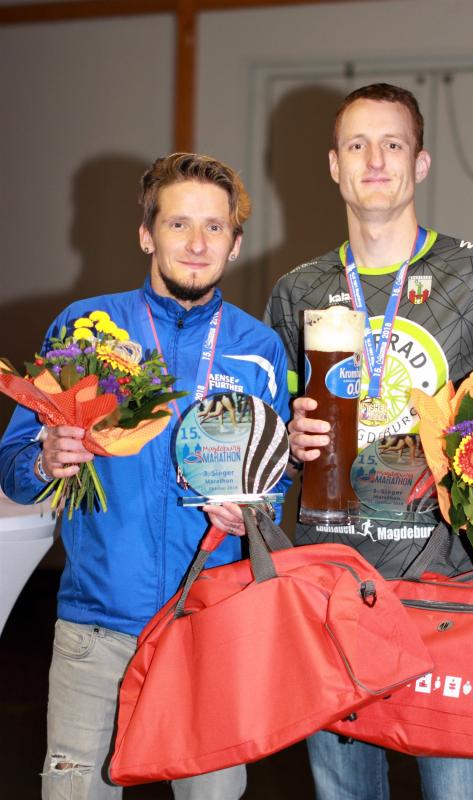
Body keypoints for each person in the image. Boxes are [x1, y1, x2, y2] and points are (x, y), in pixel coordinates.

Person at [265, 84, 473, 800]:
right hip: (333, 589)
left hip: (449, 588)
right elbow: (269, 444)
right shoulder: (298, 290)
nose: (376, 160)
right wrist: (286, 440)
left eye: (393, 144)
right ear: (334, 166)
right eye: (357, 145)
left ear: (420, 163)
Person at [0, 152, 291, 800]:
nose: (197, 243)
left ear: (235, 243)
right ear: (146, 234)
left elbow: (274, 483)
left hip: (211, 627)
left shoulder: (260, 350)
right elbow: (14, 468)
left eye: (214, 227)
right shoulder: (87, 331)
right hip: (97, 627)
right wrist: (45, 459)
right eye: (178, 223)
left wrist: (253, 513)